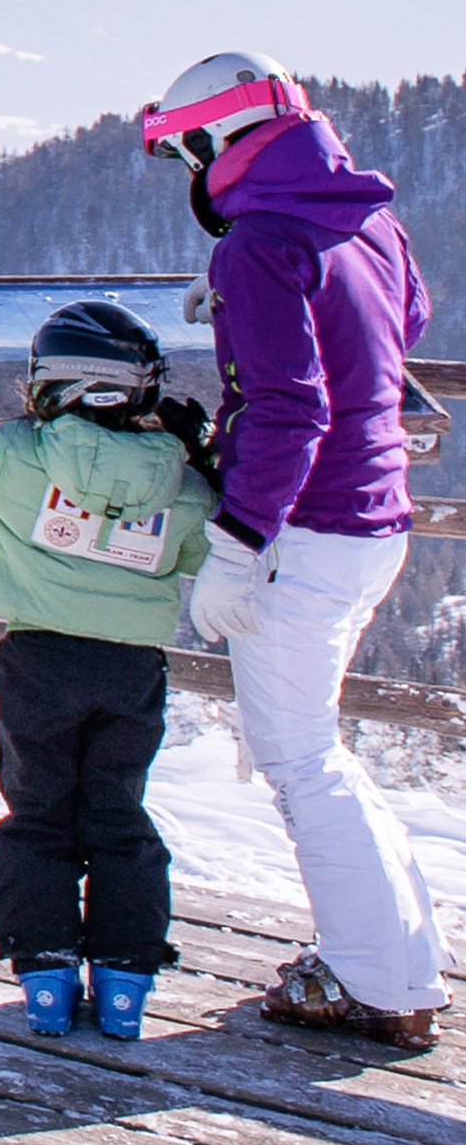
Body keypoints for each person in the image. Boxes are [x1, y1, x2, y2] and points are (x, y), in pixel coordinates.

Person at [142, 51, 451, 1048]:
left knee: (300, 761)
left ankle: (379, 985)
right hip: (374, 523)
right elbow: (400, 326)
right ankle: (397, 960)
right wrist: (244, 300)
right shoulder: (363, 219)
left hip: (302, 536)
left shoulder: (260, 244)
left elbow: (287, 407)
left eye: (187, 150)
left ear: (213, 143)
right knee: (323, 756)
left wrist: (237, 544)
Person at [0, 301, 215, 1039]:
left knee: (37, 813)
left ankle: (43, 977)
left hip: (37, 659)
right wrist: (200, 457)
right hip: (129, 671)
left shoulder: (15, 454)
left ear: (48, 386)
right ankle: (124, 985)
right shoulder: (184, 489)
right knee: (117, 814)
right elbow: (210, 552)